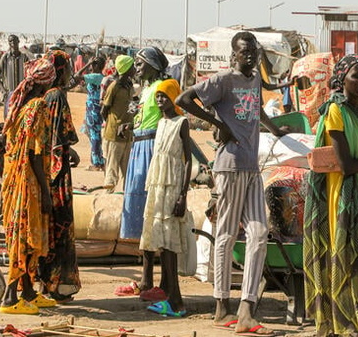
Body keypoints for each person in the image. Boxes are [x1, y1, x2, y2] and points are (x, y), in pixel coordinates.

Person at [176, 31, 288, 335]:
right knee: (225, 235)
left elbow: (256, 109)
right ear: (234, 55)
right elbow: (183, 99)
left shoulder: (254, 79)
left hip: (251, 166)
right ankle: (222, 306)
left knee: (259, 233)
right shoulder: (223, 80)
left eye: (254, 51)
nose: (250, 55)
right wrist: (218, 124)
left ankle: (246, 308)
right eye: (244, 51)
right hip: (230, 166)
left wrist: (275, 129)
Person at [304, 55, 358, 337]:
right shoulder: (335, 111)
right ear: (342, 79)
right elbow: (346, 165)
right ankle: (344, 324)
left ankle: (353, 323)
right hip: (343, 195)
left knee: (357, 258)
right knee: (346, 258)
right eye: (357, 76)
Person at [0, 56, 56, 315]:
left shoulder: (19, 106)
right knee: (23, 236)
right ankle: (10, 297)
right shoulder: (38, 107)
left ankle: (29, 292)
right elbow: (34, 154)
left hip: (13, 179)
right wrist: (45, 191)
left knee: (20, 233)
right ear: (47, 83)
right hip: (28, 181)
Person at [118, 47, 171, 301]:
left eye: (140, 63)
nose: (136, 68)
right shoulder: (146, 89)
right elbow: (143, 117)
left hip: (151, 149)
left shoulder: (162, 87)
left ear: (153, 65)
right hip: (139, 147)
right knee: (142, 214)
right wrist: (130, 125)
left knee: (152, 212)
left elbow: (170, 121)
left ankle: (154, 281)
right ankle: (146, 279)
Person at [140, 79, 194, 318]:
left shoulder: (182, 123)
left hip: (173, 187)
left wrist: (183, 195)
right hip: (158, 186)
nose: (160, 100)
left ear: (174, 98)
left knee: (170, 243)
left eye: (164, 96)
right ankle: (170, 296)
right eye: (158, 96)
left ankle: (176, 301)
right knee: (162, 241)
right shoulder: (161, 123)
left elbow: (188, 160)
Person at [42, 50, 82, 300]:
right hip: (56, 175)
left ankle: (48, 283)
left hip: (46, 168)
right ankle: (56, 285)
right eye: (67, 68)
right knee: (61, 225)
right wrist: (67, 152)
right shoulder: (56, 96)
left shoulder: (45, 95)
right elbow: (58, 139)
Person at [100, 55, 135, 191]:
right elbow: (104, 110)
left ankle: (127, 195)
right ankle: (108, 194)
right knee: (112, 167)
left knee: (128, 169)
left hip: (127, 133)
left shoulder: (130, 86)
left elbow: (131, 105)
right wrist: (113, 124)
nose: (134, 69)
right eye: (132, 66)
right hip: (115, 134)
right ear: (126, 68)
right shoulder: (114, 87)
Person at [80, 55, 107, 171]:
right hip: (94, 109)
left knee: (94, 136)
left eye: (92, 64)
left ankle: (97, 163)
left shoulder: (95, 77)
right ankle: (98, 160)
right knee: (93, 135)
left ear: (96, 66)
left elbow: (77, 76)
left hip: (93, 110)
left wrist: (86, 65)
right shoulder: (100, 77)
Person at [0, 35, 29, 111]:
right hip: (9, 93)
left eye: (14, 40)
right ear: (9, 43)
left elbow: (29, 74)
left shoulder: (24, 58)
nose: (13, 43)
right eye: (10, 41)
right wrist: (4, 91)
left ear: (18, 41)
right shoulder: (5, 57)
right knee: (8, 115)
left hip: (21, 94)